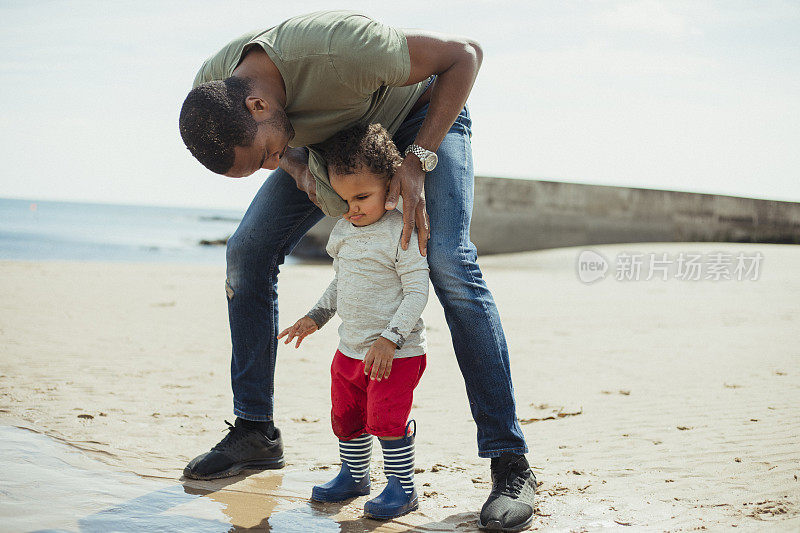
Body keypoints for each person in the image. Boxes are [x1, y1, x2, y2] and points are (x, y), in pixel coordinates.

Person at [179, 10, 536, 531]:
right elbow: (280, 152)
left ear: (258, 104)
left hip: (420, 116)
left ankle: (510, 461)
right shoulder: (214, 98)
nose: (265, 167)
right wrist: (292, 162)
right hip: (335, 148)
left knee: (449, 262)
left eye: (260, 158)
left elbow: (465, 55)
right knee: (247, 251)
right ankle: (255, 432)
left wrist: (416, 160)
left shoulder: (341, 49)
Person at [277, 124, 427, 519]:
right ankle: (354, 475)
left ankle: (402, 487)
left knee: (387, 422)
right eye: (344, 199)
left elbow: (417, 290)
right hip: (349, 349)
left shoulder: (401, 230)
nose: (352, 207)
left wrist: (390, 339)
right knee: (347, 418)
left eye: (362, 197)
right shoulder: (344, 230)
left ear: (392, 187)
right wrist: (316, 316)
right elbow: (341, 282)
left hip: (395, 353)